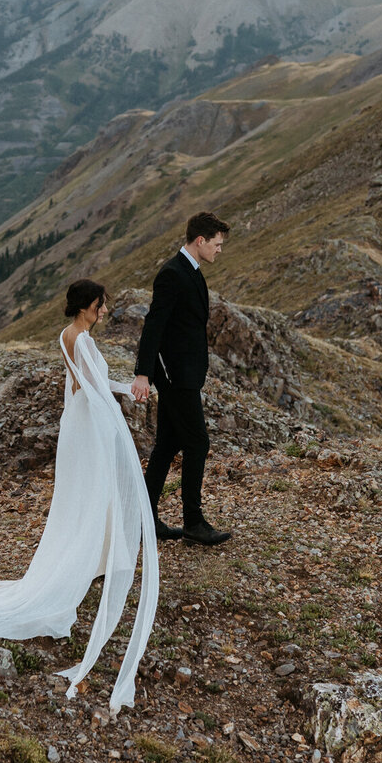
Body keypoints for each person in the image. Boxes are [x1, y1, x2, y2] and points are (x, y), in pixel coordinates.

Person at [0, 280, 159, 714]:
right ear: (90, 306)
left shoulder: (65, 335)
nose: (105, 310)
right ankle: (100, 559)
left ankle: (101, 556)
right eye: (102, 304)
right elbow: (94, 387)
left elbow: (75, 386)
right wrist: (132, 390)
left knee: (82, 497)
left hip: (75, 424)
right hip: (88, 426)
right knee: (96, 492)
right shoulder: (84, 340)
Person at [131, 211, 232, 546]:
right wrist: (143, 373)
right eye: (217, 244)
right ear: (200, 241)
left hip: (187, 373)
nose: (220, 250)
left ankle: (143, 518)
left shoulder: (192, 270)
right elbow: (154, 324)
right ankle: (193, 522)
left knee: (167, 444)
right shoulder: (172, 273)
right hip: (175, 376)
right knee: (198, 442)